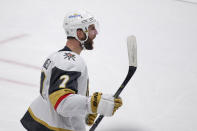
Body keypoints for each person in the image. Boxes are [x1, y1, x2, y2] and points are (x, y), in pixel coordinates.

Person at [20, 10, 123, 131]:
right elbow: (62, 102)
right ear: (79, 33)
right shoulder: (70, 61)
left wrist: (84, 111)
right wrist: (91, 103)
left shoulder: (57, 56)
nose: (95, 33)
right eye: (91, 29)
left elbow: (55, 96)